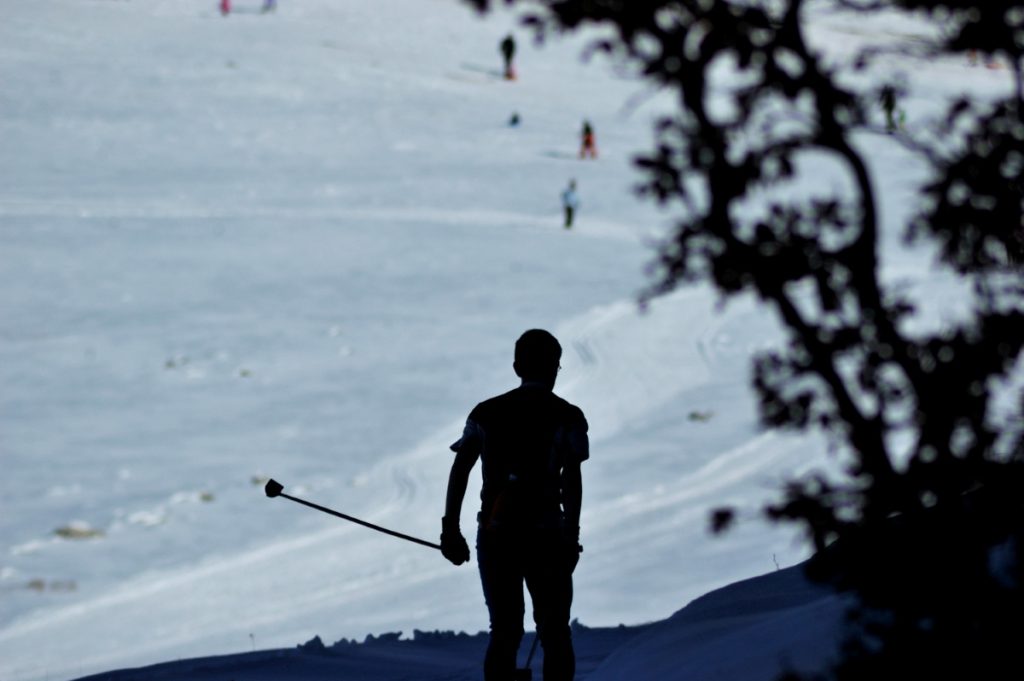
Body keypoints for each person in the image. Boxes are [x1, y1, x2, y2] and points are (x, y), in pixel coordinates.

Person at [441, 330, 589, 681]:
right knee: (554, 631)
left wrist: (451, 530)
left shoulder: (485, 413)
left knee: (504, 631)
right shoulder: (567, 415)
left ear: (516, 366)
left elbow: (460, 469)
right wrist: (571, 535)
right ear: (555, 367)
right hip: (549, 535)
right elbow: (572, 480)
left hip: (496, 535)